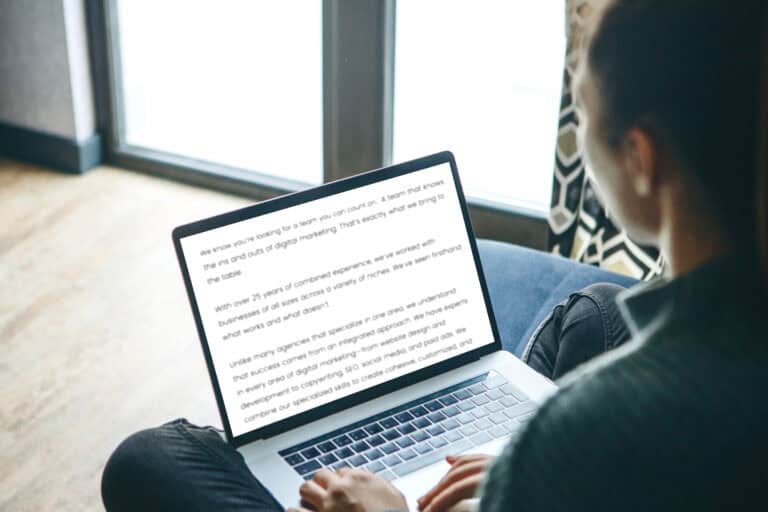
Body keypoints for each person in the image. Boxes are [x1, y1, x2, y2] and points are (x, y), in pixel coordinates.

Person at [101, 0, 768, 510]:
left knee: (149, 459)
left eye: (586, 108)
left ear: (642, 160)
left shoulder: (576, 437)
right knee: (594, 310)